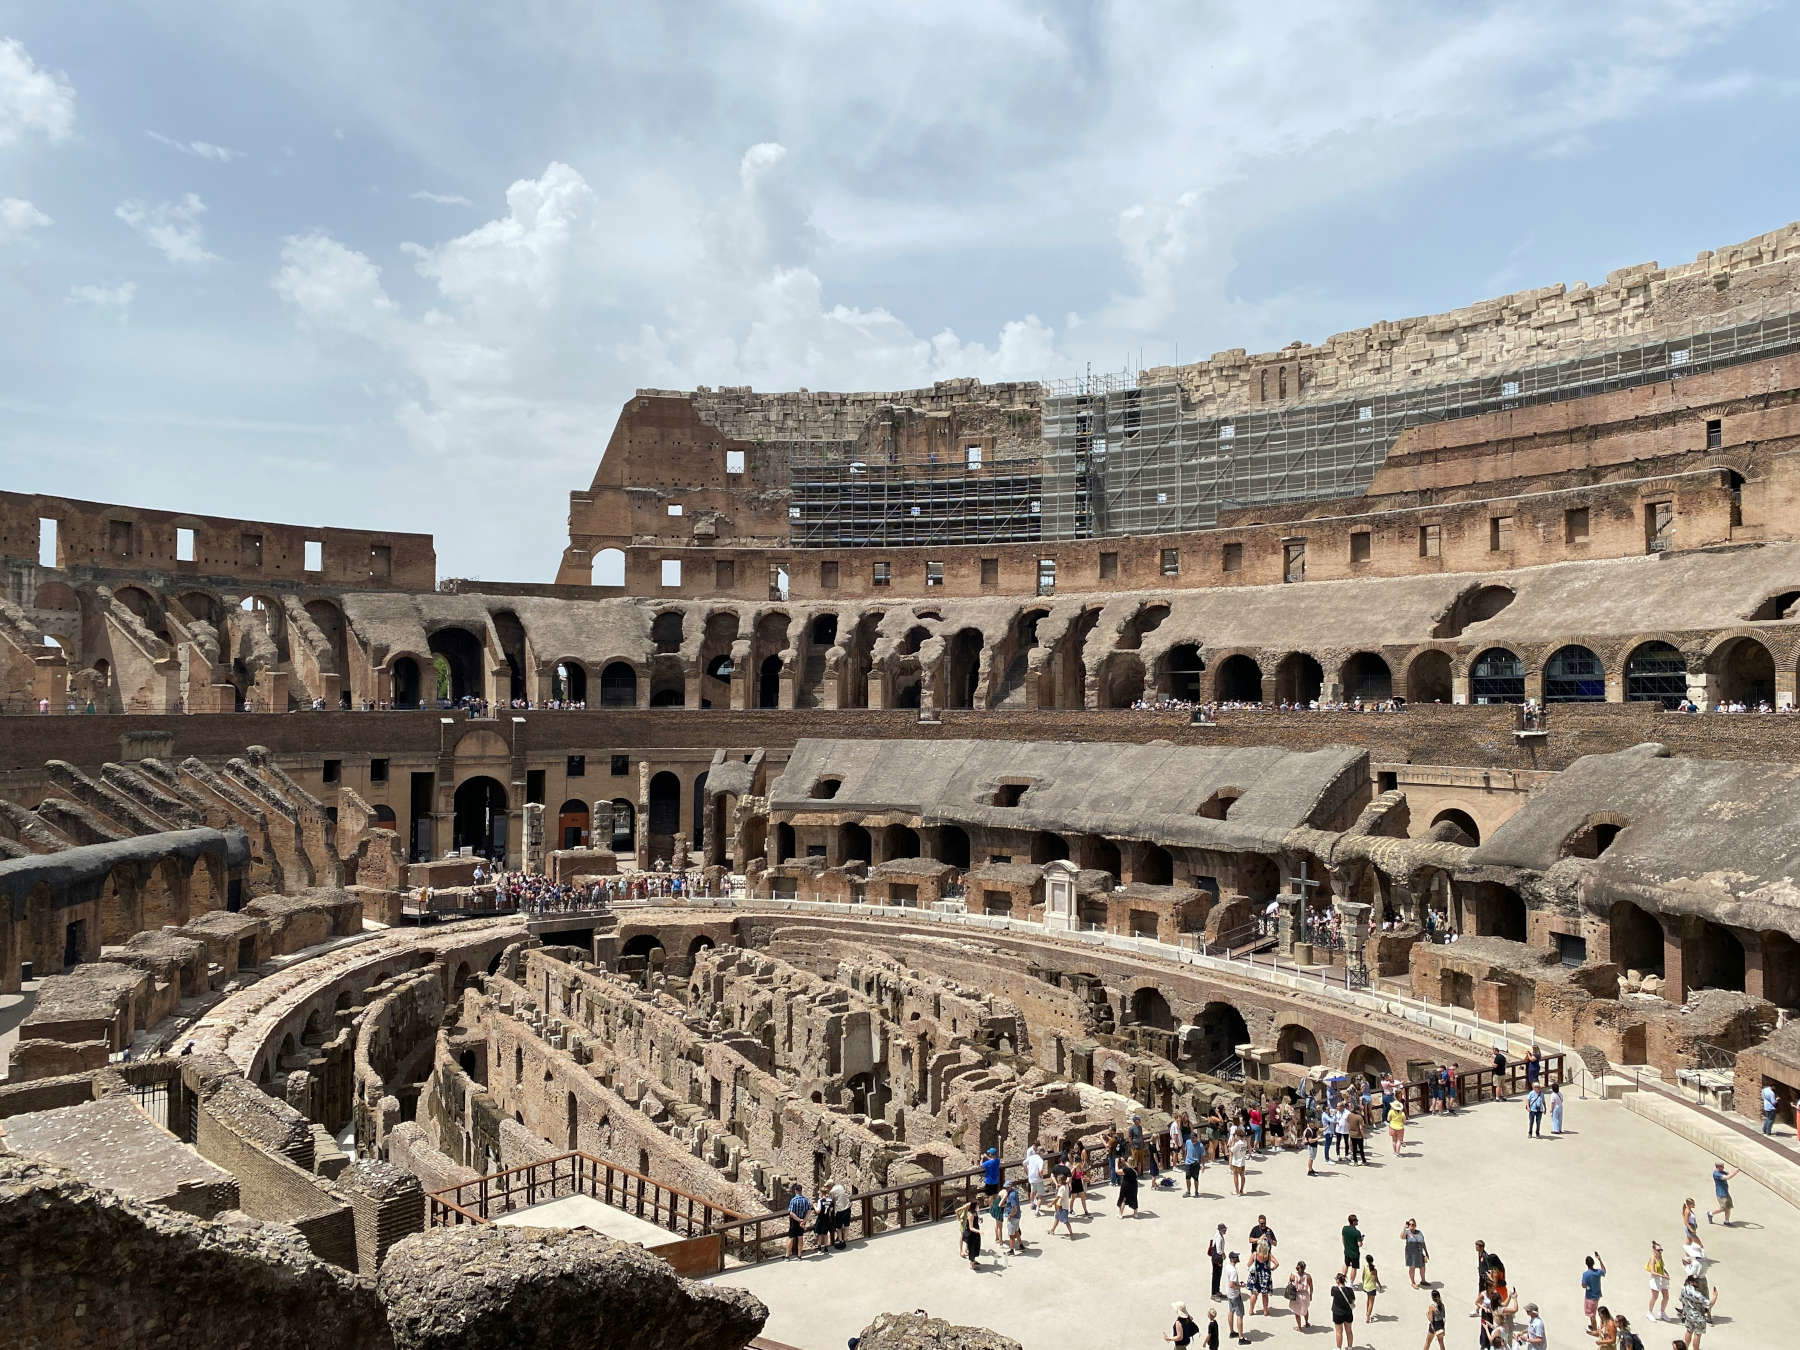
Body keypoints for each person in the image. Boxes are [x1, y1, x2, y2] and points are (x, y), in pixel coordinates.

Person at [1678, 1273, 1719, 1348]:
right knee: (1697, 1335)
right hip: (1698, 1317)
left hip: (1689, 1315)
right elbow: (1709, 1304)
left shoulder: (1684, 1289)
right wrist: (1715, 1296)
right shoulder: (1697, 1295)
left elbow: (1681, 1299)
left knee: (1688, 1331)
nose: (1698, 1283)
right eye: (1697, 1282)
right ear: (1692, 1282)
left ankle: (1685, 1348)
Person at [1248, 1241, 1278, 1317]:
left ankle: (1251, 1310)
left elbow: (1248, 1264)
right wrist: (1272, 1268)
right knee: (1265, 1295)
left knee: (1254, 1294)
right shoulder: (1268, 1255)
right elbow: (1277, 1263)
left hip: (1256, 1276)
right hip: (1265, 1276)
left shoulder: (1255, 1254)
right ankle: (1265, 1311)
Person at [1224, 1251, 1247, 1345]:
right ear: (1233, 1259)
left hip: (1229, 1294)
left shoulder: (1227, 1266)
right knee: (1240, 1315)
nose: (1238, 1257)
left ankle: (1232, 1332)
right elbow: (1232, 1284)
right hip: (1235, 1295)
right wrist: (1240, 1286)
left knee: (1231, 1311)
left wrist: (1237, 1284)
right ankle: (1241, 1338)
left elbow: (1230, 1282)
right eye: (1236, 1257)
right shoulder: (1233, 1271)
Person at [1329, 1272, 1356, 1349]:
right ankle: (1350, 1347)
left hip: (1337, 1313)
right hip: (1348, 1313)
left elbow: (1333, 1295)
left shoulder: (1334, 1289)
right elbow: (1353, 1300)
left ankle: (1338, 1348)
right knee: (1349, 1331)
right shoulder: (1350, 1290)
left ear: (1337, 1280)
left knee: (1339, 1332)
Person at [1645, 1240, 1671, 1323]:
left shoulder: (1660, 1256)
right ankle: (1649, 1312)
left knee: (1666, 1297)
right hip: (1655, 1280)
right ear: (1654, 1250)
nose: (1660, 1251)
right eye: (1658, 1250)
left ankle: (1662, 1312)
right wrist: (1663, 1275)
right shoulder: (1653, 1258)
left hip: (1662, 1279)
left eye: (1661, 1250)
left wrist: (1666, 1273)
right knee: (1654, 1297)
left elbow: (1662, 1268)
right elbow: (1652, 1271)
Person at [785, 1183, 812, 1259]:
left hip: (794, 1222)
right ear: (801, 1190)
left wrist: (798, 1220)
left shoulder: (793, 1200)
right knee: (800, 1238)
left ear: (795, 1191)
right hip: (802, 1222)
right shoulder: (806, 1200)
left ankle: (787, 1256)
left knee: (791, 1238)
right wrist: (803, 1221)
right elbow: (808, 1211)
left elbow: (791, 1213)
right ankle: (799, 1255)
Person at [1583, 1253, 1608, 1331]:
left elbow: (1583, 1285)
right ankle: (1593, 1326)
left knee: (1592, 1314)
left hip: (1590, 1296)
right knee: (1593, 1312)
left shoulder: (1586, 1274)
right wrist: (1599, 1259)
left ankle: (1594, 1329)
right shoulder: (1598, 1272)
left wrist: (1587, 1286)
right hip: (1597, 1296)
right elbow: (1604, 1270)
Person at [1402, 1219, 1429, 1288]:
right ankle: (1413, 1282)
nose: (1412, 1226)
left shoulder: (1419, 1232)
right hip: (1411, 1254)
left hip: (1419, 1253)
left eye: (1413, 1224)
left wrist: (1426, 1252)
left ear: (1415, 1225)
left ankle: (1423, 1281)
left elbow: (1423, 1242)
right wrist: (1405, 1228)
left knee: (1422, 1267)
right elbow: (1402, 1237)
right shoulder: (1407, 1233)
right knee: (1412, 1268)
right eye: (1410, 1224)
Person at [958, 1196, 983, 1270]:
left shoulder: (974, 1212)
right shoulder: (971, 1214)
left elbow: (977, 1218)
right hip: (972, 1234)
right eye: (977, 1205)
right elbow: (971, 1227)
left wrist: (979, 1219)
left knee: (976, 1247)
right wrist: (979, 1231)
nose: (978, 1206)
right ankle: (972, 1265)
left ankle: (973, 1261)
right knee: (972, 1248)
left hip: (975, 1233)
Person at [1289, 1259, 1314, 1330]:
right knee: (1305, 1309)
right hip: (1305, 1295)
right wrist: (1311, 1295)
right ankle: (1306, 1323)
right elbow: (1311, 1287)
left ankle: (1299, 1327)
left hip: (1296, 1295)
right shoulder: (1308, 1276)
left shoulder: (1293, 1275)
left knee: (1297, 1312)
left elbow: (1290, 1283)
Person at [1000, 1181, 1023, 1254]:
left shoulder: (1011, 1196)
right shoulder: (1014, 1192)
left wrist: (1010, 1215)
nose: (1005, 1189)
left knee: (1011, 1235)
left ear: (1010, 1187)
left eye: (1007, 1187)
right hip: (1018, 1216)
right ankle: (1021, 1245)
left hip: (1013, 1217)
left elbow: (1014, 1208)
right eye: (1005, 1187)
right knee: (1016, 1231)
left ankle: (1011, 1250)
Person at [1208, 1224, 1229, 1301]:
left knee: (1217, 1275)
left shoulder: (1217, 1234)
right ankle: (1214, 1294)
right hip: (1217, 1258)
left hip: (1216, 1258)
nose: (1225, 1230)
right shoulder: (1219, 1237)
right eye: (1224, 1230)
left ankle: (1217, 1291)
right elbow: (1219, 1250)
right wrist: (1223, 1255)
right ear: (1220, 1230)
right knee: (1216, 1275)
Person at [1361, 1255, 1384, 1323]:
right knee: (1371, 1302)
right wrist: (1379, 1285)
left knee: (1368, 1300)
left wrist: (1363, 1283)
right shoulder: (1374, 1270)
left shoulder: (1365, 1267)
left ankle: (1367, 1313)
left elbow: (1363, 1276)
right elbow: (1375, 1279)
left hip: (1366, 1286)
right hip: (1372, 1287)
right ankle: (1368, 1317)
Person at [1183, 1127, 1206, 1196]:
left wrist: (1203, 1165)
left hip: (1196, 1163)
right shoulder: (1187, 1142)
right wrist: (1185, 1160)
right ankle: (1188, 1191)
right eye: (1191, 1138)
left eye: (1193, 1138)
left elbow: (1202, 1156)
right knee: (1187, 1177)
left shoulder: (1201, 1146)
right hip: (1188, 1162)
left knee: (1196, 1178)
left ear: (1196, 1138)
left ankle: (1196, 1192)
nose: (1192, 1139)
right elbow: (1186, 1151)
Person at [1227, 1127, 1249, 1195]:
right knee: (1242, 1176)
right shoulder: (1245, 1142)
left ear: (1238, 1135)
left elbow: (1232, 1150)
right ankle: (1241, 1190)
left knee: (1235, 1176)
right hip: (1242, 1162)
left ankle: (1237, 1191)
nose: (1235, 1136)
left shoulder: (1238, 1143)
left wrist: (1232, 1144)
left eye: (1235, 1135)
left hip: (1236, 1162)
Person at [1341, 1213, 1364, 1278]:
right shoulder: (1357, 1232)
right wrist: (1361, 1240)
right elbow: (1359, 1244)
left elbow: (1343, 1239)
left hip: (1347, 1251)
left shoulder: (1344, 1228)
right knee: (1354, 1268)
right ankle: (1351, 1283)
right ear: (1353, 1222)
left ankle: (1342, 1278)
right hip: (1355, 1254)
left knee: (1346, 1264)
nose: (1357, 1221)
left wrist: (1346, 1247)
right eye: (1356, 1220)